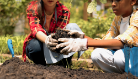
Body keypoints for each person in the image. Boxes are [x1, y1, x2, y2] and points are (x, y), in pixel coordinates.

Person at [51, 0, 138, 77]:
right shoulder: (117, 19)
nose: (113, 4)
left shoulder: (136, 17)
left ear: (133, 1)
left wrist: (84, 43)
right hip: (124, 57)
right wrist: (82, 37)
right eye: (112, 0)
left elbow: (121, 42)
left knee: (119, 56)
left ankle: (130, 74)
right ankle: (120, 75)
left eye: (118, 0)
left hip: (133, 56)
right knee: (96, 54)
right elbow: (106, 42)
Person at [22, 0, 84, 67]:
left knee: (72, 28)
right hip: (41, 45)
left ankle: (64, 64)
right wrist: (47, 40)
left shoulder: (64, 11)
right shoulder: (33, 7)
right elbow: (35, 29)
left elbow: (60, 33)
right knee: (35, 46)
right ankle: (42, 65)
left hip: (57, 46)